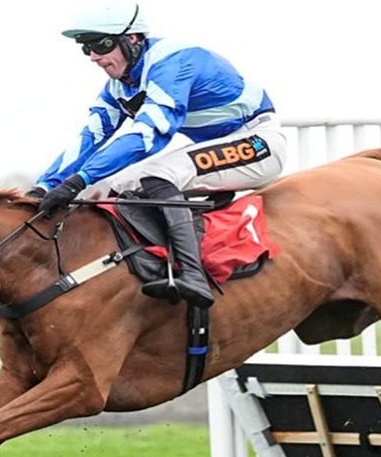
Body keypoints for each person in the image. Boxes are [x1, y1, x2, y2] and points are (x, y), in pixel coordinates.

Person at [32, 0, 287, 308]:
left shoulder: (174, 62)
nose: (94, 56)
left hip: (258, 144)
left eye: (102, 44)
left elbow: (149, 134)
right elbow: (91, 136)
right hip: (217, 146)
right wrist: (46, 185)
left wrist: (80, 178)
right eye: (86, 48)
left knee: (155, 174)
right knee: (112, 187)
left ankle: (193, 275)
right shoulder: (120, 85)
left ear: (133, 38)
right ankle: (153, 264)